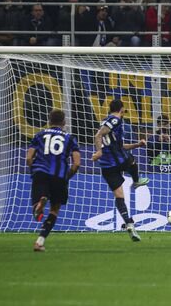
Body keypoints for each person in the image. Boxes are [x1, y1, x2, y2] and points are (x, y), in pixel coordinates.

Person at [91, 99, 150, 242]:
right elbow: (98, 135)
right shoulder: (115, 120)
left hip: (106, 167)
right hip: (116, 160)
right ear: (122, 109)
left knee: (119, 196)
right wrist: (98, 151)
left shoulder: (107, 122)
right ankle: (136, 181)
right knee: (131, 160)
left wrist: (137, 144)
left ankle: (129, 223)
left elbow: (121, 146)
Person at [26, 110, 81, 252]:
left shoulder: (39, 135)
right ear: (64, 123)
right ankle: (40, 241)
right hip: (59, 175)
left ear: (49, 121)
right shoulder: (70, 138)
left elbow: (29, 158)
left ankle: (39, 204)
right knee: (55, 209)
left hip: (40, 172)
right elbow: (77, 163)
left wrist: (34, 170)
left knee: (36, 213)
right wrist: (67, 176)